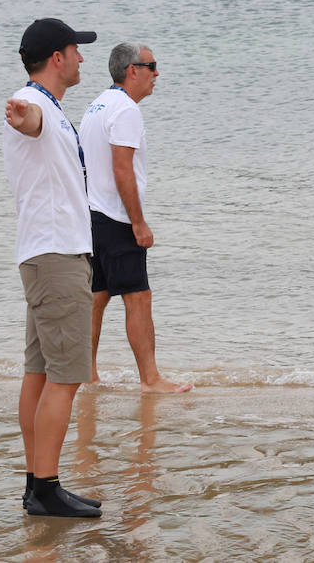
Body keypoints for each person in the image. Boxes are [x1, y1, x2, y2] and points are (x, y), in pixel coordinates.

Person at [3, 18, 104, 518]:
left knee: (40, 373)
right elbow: (28, 121)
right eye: (75, 49)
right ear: (56, 58)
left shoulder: (51, 108)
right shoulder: (37, 105)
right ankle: (45, 486)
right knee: (64, 376)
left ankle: (36, 482)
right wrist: (23, 118)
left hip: (47, 252)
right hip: (55, 255)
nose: (82, 58)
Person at [82, 44, 192, 395]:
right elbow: (122, 169)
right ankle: (151, 380)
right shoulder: (126, 110)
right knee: (138, 297)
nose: (156, 73)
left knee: (97, 296)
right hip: (115, 217)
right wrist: (138, 223)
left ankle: (87, 374)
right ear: (132, 70)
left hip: (90, 214)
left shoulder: (97, 104)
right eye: (151, 66)